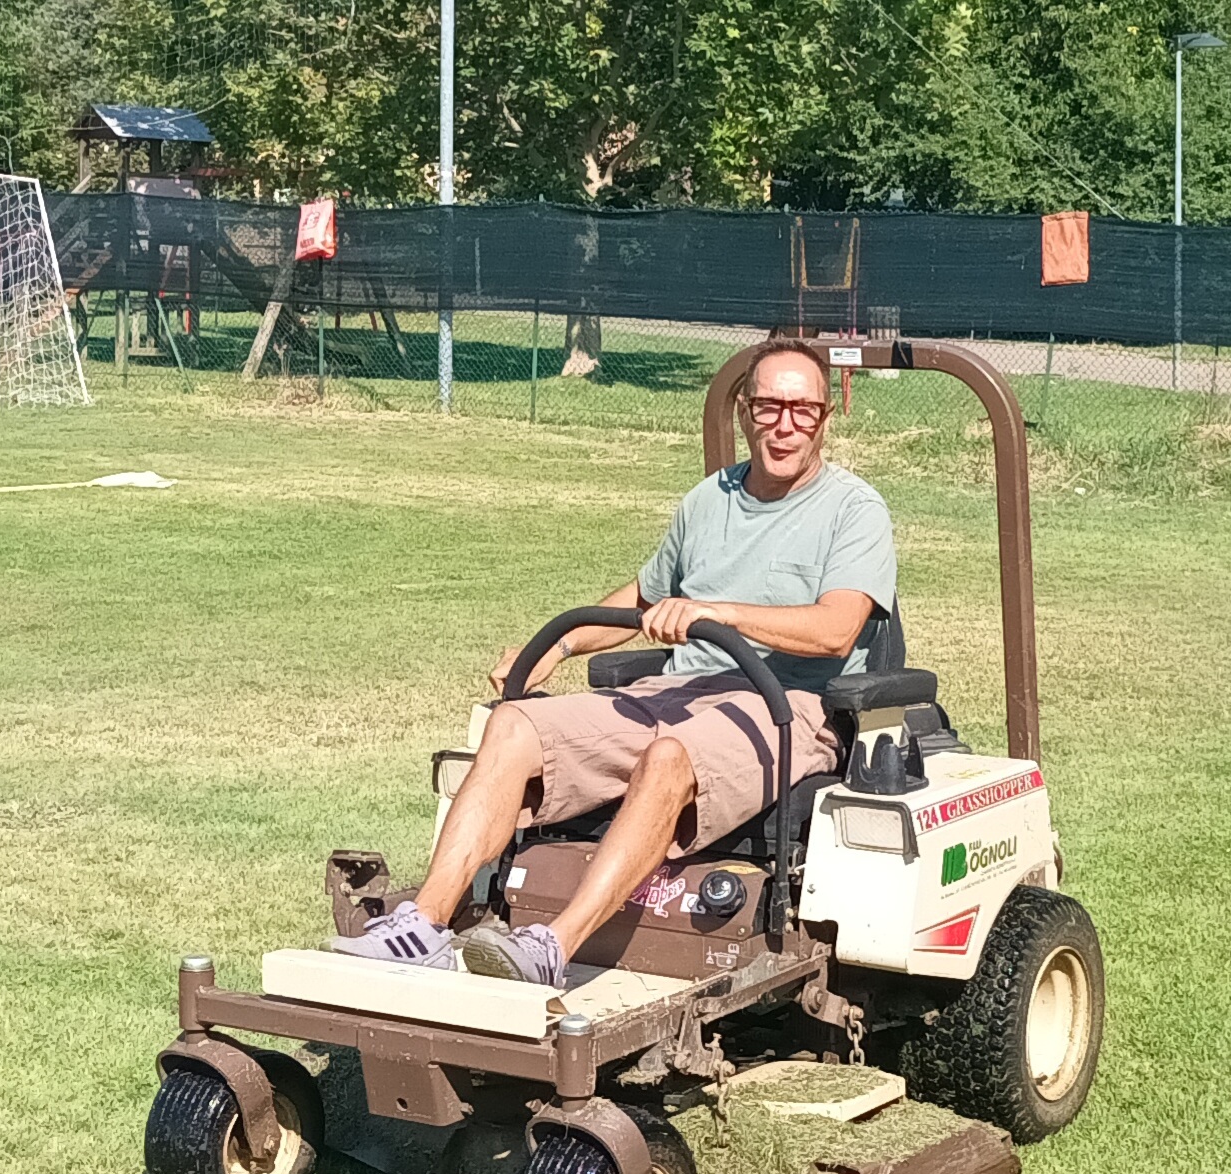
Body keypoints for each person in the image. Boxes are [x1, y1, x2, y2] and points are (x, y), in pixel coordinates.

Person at [337, 345, 895, 988]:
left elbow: (835, 629)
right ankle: (423, 925)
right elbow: (643, 600)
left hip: (787, 704)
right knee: (514, 725)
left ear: (825, 417)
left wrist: (718, 612)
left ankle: (551, 945)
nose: (785, 425)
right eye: (769, 406)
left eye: (803, 409)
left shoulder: (854, 510)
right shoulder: (708, 500)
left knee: (670, 757)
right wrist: (555, 648)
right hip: (679, 688)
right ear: (746, 411)